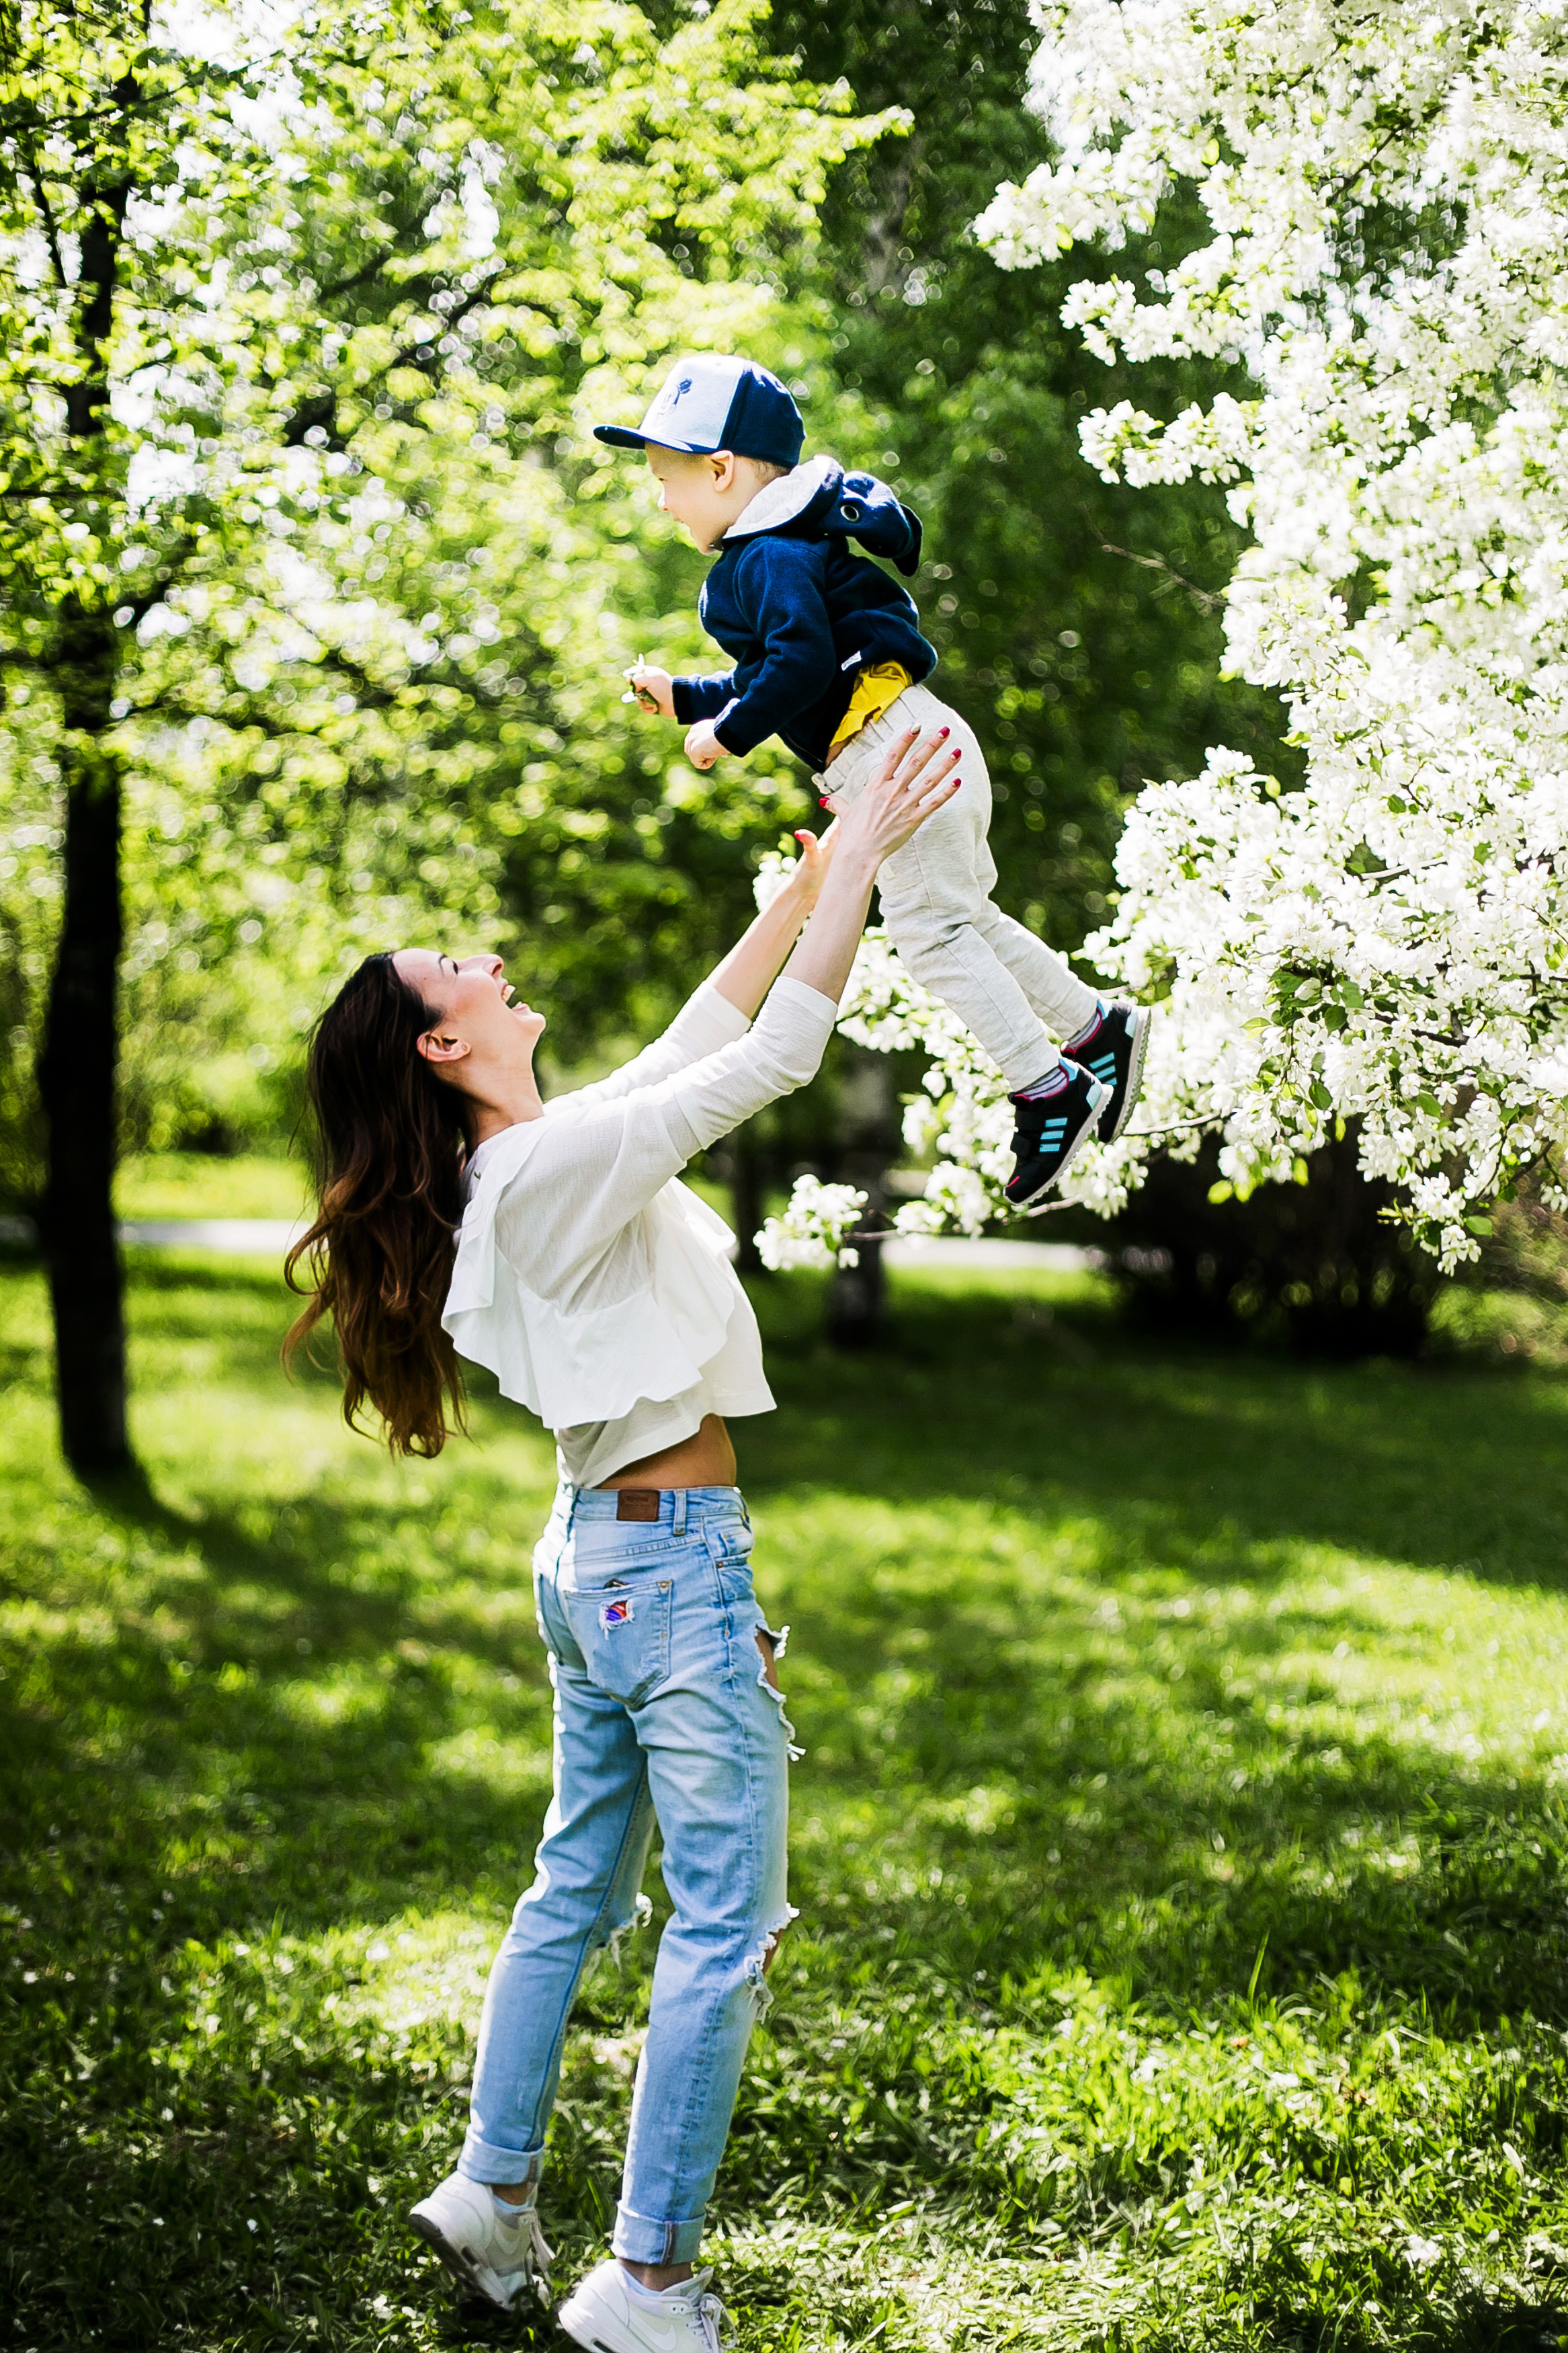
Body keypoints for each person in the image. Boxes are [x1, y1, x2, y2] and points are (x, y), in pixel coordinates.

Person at [284, 727, 961, 2353]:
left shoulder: (524, 1163)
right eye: (462, 965)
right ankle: (646, 2281)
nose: (494, 959)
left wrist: (810, 876)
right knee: (719, 1926)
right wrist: (865, 843)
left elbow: (695, 1033)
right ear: (443, 1046)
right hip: (667, 1564)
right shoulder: (550, 1168)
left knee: (574, 1885)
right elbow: (774, 1057)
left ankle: (494, 2190)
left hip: (599, 1555)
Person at [594, 351, 1151, 1207]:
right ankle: (1096, 1028)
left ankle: (1049, 1086)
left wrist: (724, 735)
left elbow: (800, 663)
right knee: (963, 921)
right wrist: (686, 700)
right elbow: (784, 671)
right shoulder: (786, 541)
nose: (660, 498)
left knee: (932, 938)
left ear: (721, 469)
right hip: (916, 733)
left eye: (668, 476)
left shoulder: (766, 555)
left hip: (891, 750)